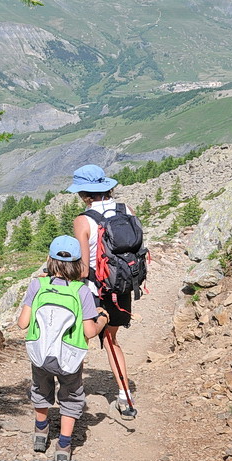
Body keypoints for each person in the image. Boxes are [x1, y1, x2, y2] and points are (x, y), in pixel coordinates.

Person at [17, 235, 108, 461]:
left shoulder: (38, 284)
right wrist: (103, 318)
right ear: (78, 264)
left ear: (49, 259)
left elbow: (22, 323)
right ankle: (64, 446)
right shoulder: (81, 291)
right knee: (71, 396)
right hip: (68, 357)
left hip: (40, 353)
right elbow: (89, 332)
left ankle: (40, 433)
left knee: (40, 389)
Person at [67, 163, 144, 419]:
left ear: (83, 193)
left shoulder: (83, 220)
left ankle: (72, 399)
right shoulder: (126, 210)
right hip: (121, 286)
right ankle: (125, 397)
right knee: (112, 340)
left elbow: (80, 268)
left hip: (94, 289)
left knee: (81, 340)